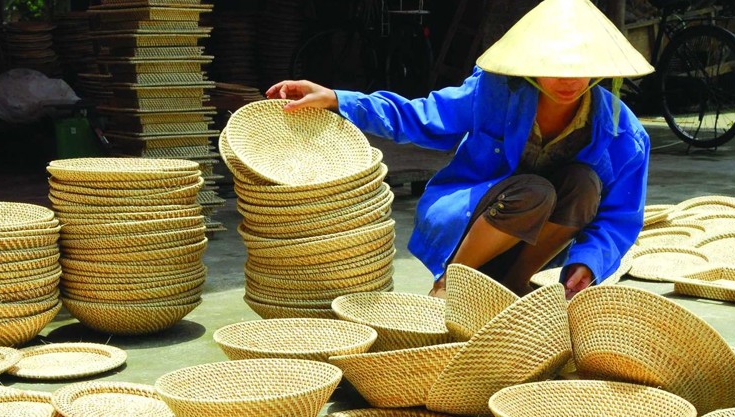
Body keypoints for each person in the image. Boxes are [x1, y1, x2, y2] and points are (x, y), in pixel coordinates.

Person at [265, 0, 653, 299]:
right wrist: (338, 98)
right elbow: (419, 116)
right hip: (474, 226)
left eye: (580, 65)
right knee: (536, 191)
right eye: (555, 63)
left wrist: (588, 263)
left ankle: (514, 285)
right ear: (531, 61)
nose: (568, 78)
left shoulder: (625, 135)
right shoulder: (493, 92)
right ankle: (448, 284)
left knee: (584, 184)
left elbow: (620, 217)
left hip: (532, 245)